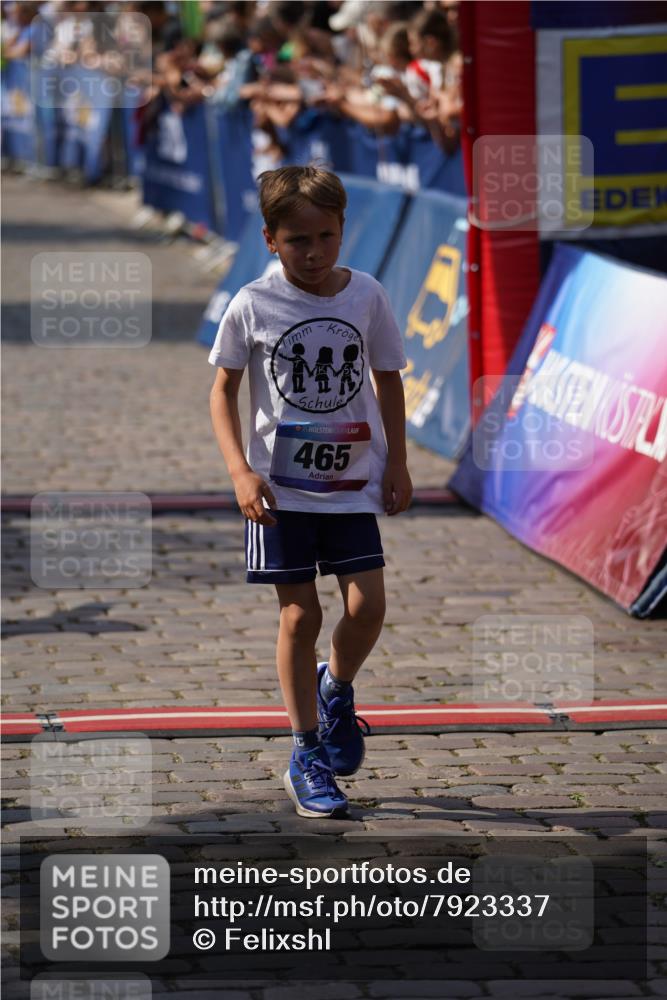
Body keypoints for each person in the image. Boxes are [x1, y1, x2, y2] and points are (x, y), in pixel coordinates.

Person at [209, 166, 412, 818]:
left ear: (344, 230)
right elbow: (222, 391)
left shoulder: (368, 296)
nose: (315, 251)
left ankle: (337, 690)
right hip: (280, 489)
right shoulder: (251, 304)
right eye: (298, 240)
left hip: (352, 481)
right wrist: (241, 471)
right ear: (270, 240)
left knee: (368, 606)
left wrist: (397, 463)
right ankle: (305, 752)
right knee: (301, 615)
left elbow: (388, 378)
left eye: (327, 235)